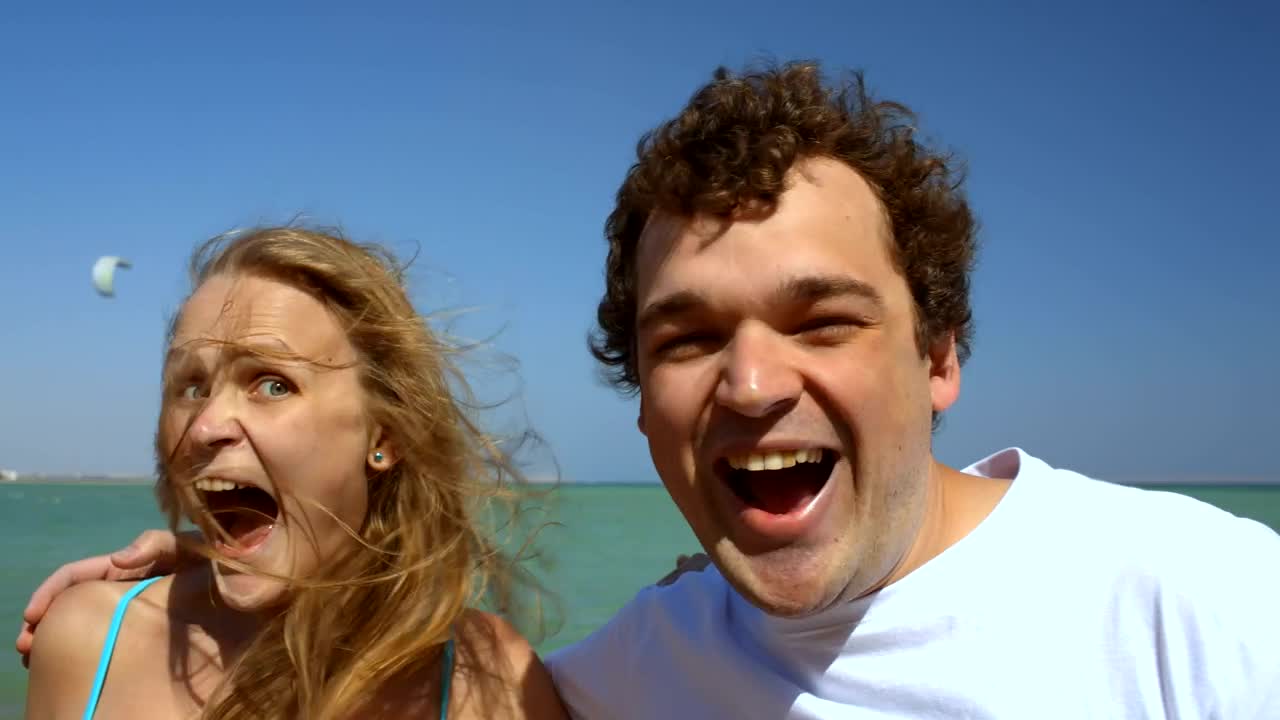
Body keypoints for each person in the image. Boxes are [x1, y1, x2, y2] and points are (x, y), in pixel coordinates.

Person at [19, 61, 1280, 718]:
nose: (749, 382)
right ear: (642, 402)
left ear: (938, 355)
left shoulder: (1206, 610)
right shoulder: (621, 678)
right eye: (685, 337)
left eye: (820, 320)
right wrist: (207, 569)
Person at [22, 227, 566, 719]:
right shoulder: (88, 642)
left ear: (384, 436)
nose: (206, 426)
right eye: (191, 387)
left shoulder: (490, 684)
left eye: (272, 384)